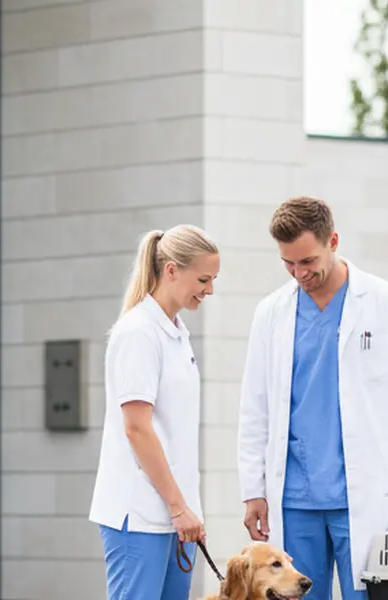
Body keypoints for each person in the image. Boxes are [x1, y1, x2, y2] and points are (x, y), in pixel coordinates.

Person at [237, 197, 388, 600]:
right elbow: (254, 410)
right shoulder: (270, 313)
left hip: (364, 490)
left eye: (308, 261)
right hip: (294, 497)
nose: (299, 273)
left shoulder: (387, 302)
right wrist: (253, 490)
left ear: (333, 241)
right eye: (288, 263)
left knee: (367, 595)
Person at [89, 225, 221, 600]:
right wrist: (179, 508)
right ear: (171, 270)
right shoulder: (138, 333)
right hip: (140, 514)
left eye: (213, 280)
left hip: (176, 516)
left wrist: (185, 509)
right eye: (203, 279)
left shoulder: (176, 334)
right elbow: (137, 429)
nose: (210, 290)